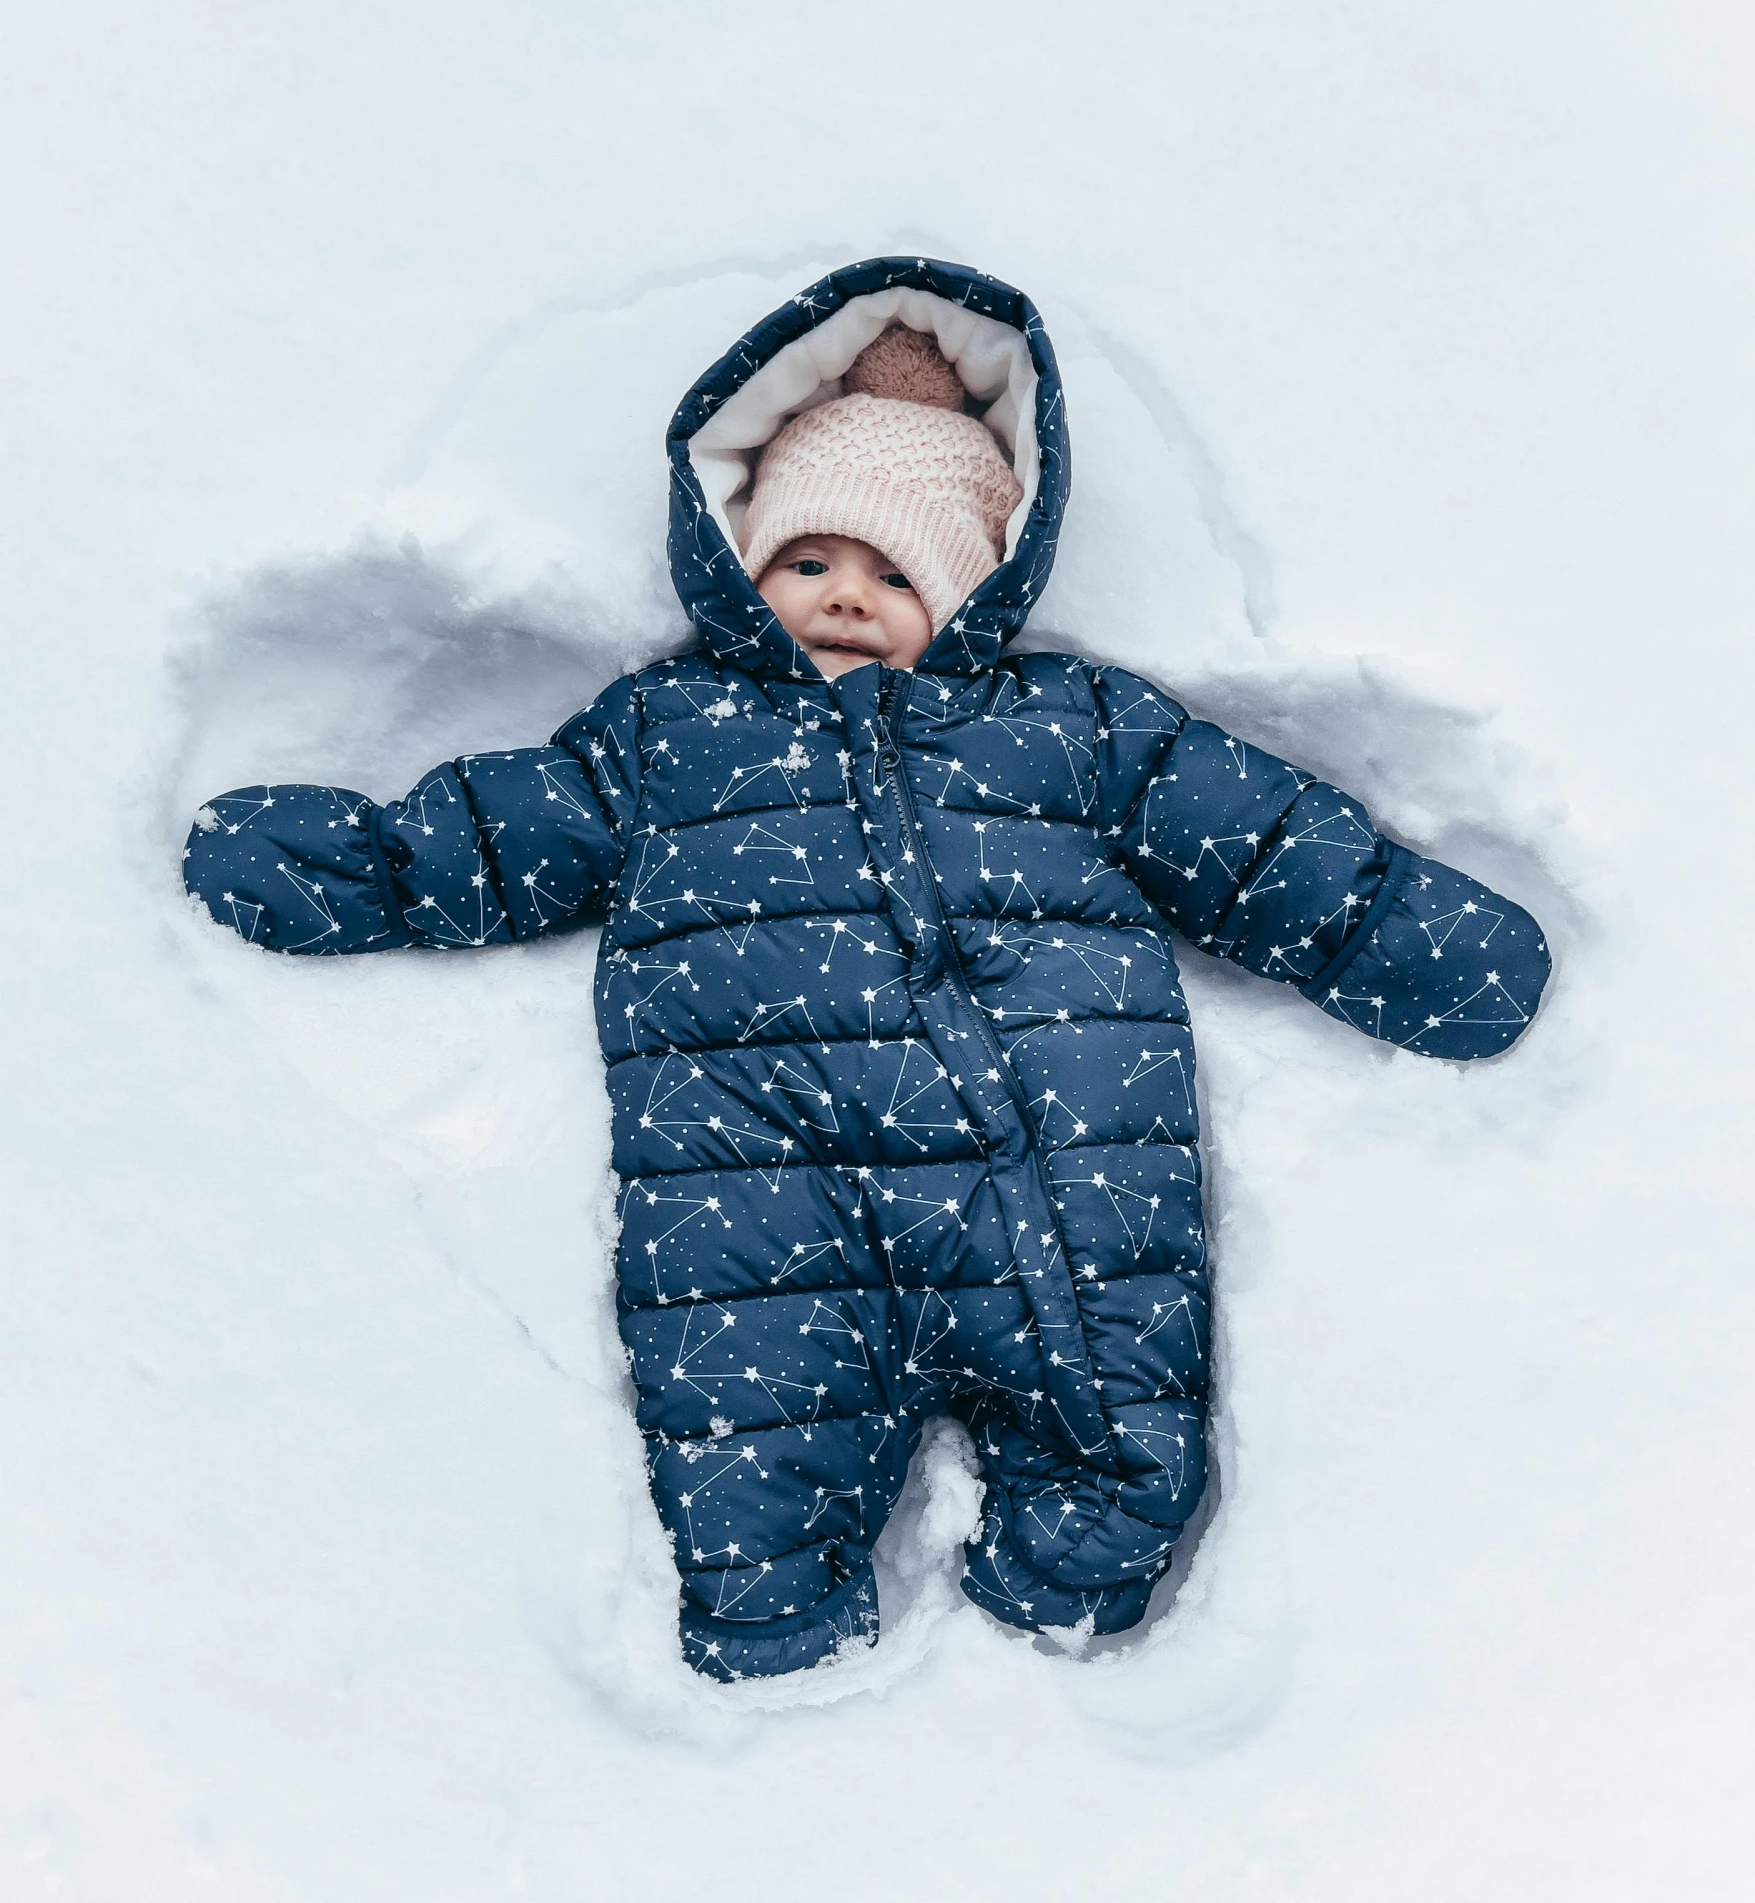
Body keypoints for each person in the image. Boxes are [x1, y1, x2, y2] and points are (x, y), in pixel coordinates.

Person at [184, 258, 1550, 1680]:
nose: (844, 596)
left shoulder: (1069, 727)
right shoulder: (670, 737)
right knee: (753, 1466)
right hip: (764, 1211)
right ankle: (776, 1664)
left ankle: (1063, 1618)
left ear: (970, 587)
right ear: (738, 562)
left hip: (1052, 1188)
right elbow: (490, 837)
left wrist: (1413, 945)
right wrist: (347, 867)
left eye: (895, 570)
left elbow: (1259, 847)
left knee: (1111, 1426)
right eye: (807, 561)